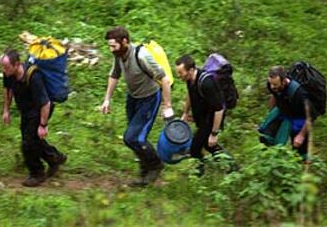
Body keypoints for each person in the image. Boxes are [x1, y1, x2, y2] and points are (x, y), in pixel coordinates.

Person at [101, 26, 174, 186]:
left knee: (133, 138)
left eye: (113, 46)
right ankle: (144, 168)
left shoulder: (142, 56)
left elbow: (165, 79)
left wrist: (167, 105)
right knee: (133, 138)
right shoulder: (118, 55)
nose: (111, 49)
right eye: (109, 46)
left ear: (125, 41)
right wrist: (107, 99)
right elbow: (114, 75)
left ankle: (155, 165)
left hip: (149, 99)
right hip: (132, 99)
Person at [0, 48, 67, 187]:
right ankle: (55, 157)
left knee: (28, 143)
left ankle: (37, 173)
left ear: (17, 64)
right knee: (33, 139)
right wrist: (6, 110)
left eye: (6, 67)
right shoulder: (8, 73)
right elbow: (7, 90)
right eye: (2, 67)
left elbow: (45, 103)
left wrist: (43, 125)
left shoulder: (33, 76)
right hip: (26, 110)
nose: (4, 70)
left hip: (41, 110)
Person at [175, 55, 235, 176]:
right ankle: (232, 168)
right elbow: (190, 95)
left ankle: (201, 172)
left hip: (212, 118)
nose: (179, 75)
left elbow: (219, 109)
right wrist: (185, 113)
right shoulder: (190, 80)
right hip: (203, 117)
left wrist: (214, 134)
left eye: (181, 72)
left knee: (196, 148)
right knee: (208, 146)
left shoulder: (207, 83)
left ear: (191, 70)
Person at [259, 66, 311, 159]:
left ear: (284, 81)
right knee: (265, 137)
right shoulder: (272, 85)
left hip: (299, 116)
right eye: (271, 83)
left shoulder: (299, 93)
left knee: (299, 149)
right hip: (282, 111)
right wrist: (271, 116)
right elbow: (274, 96)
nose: (272, 87)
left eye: (275, 84)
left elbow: (310, 115)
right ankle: (269, 161)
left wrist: (301, 135)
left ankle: (301, 166)